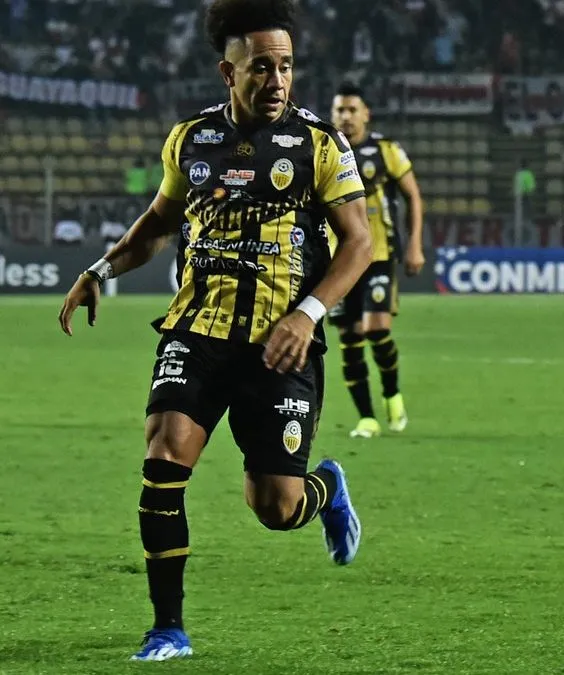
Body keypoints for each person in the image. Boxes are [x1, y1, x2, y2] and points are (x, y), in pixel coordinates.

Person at [57, 0, 373, 661]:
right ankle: (167, 627)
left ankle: (326, 486)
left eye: (286, 67)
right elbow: (158, 220)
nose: (278, 80)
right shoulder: (190, 140)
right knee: (164, 453)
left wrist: (307, 313)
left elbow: (359, 244)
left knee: (276, 506)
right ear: (227, 71)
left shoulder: (320, 147)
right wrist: (100, 266)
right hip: (196, 328)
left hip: (280, 339)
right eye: (262, 66)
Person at [328, 82, 426, 438]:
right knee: (350, 338)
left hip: (378, 255)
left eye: (352, 110)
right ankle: (366, 418)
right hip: (337, 260)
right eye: (339, 110)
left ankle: (392, 393)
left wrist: (415, 244)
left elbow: (413, 196)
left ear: (366, 113)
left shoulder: (385, 151)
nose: (346, 117)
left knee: (376, 329)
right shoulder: (322, 150)